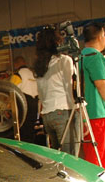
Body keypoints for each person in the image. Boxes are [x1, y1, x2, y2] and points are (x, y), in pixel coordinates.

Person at [33, 26, 81, 156]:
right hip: (64, 111)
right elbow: (71, 87)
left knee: (59, 158)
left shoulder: (39, 66)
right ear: (57, 42)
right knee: (70, 158)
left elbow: (40, 94)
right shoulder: (64, 61)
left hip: (47, 115)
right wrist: (79, 110)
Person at [80, 21, 105, 175]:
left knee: (92, 155)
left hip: (86, 114)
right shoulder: (95, 57)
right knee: (101, 157)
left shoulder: (79, 58)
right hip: (99, 114)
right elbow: (101, 85)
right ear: (100, 37)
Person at [12, 56, 39, 142]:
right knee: (31, 130)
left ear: (15, 64)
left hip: (24, 105)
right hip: (35, 104)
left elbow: (11, 90)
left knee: (23, 131)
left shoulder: (17, 75)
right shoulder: (33, 74)